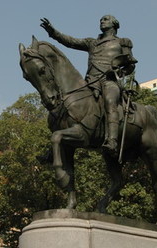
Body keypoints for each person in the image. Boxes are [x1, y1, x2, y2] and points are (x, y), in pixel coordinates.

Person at [40, 15, 137, 156]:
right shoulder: (92, 43)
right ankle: (54, 148)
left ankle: (112, 140)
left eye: (106, 19)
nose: (102, 21)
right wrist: (52, 31)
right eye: (101, 20)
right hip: (91, 82)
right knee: (66, 102)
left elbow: (130, 66)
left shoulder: (123, 42)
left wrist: (118, 73)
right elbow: (70, 42)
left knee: (110, 102)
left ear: (114, 24)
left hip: (109, 81)